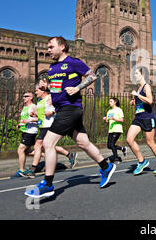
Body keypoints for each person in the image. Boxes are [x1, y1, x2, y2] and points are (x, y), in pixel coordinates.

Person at [25, 36, 115, 199]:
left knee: (47, 142)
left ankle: (48, 183)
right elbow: (58, 88)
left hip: (71, 108)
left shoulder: (74, 62)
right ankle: (106, 166)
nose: (48, 50)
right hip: (61, 109)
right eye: (48, 47)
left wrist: (78, 87)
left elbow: (92, 76)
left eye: (51, 47)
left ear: (63, 46)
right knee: (83, 143)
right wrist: (49, 88)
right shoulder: (52, 68)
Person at [27, 84, 78, 178]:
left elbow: (60, 107)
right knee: (47, 146)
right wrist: (35, 114)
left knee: (38, 145)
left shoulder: (50, 97)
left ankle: (33, 170)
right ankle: (69, 155)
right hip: (42, 125)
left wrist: (53, 112)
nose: (35, 92)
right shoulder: (39, 100)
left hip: (49, 125)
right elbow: (42, 114)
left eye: (37, 90)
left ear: (43, 90)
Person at [127, 66, 156, 175]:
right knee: (129, 139)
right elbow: (141, 101)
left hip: (147, 117)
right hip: (138, 117)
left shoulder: (146, 87)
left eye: (136, 73)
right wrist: (134, 101)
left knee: (150, 142)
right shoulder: (139, 87)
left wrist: (137, 95)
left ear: (142, 75)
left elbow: (150, 101)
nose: (134, 76)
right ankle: (142, 161)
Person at [15, 92, 38, 177]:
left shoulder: (34, 106)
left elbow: (40, 118)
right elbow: (24, 119)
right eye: (23, 96)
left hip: (31, 131)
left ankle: (21, 170)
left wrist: (30, 120)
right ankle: (46, 156)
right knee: (27, 151)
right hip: (25, 130)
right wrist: (19, 124)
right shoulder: (25, 107)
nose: (24, 98)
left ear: (31, 97)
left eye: (26, 96)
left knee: (20, 149)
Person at [103, 97, 127, 164]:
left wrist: (114, 118)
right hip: (111, 130)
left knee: (112, 144)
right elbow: (108, 121)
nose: (109, 103)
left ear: (115, 102)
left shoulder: (119, 110)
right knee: (109, 146)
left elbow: (122, 120)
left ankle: (116, 159)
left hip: (117, 129)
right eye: (109, 101)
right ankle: (123, 149)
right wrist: (105, 119)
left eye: (111, 101)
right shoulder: (109, 111)